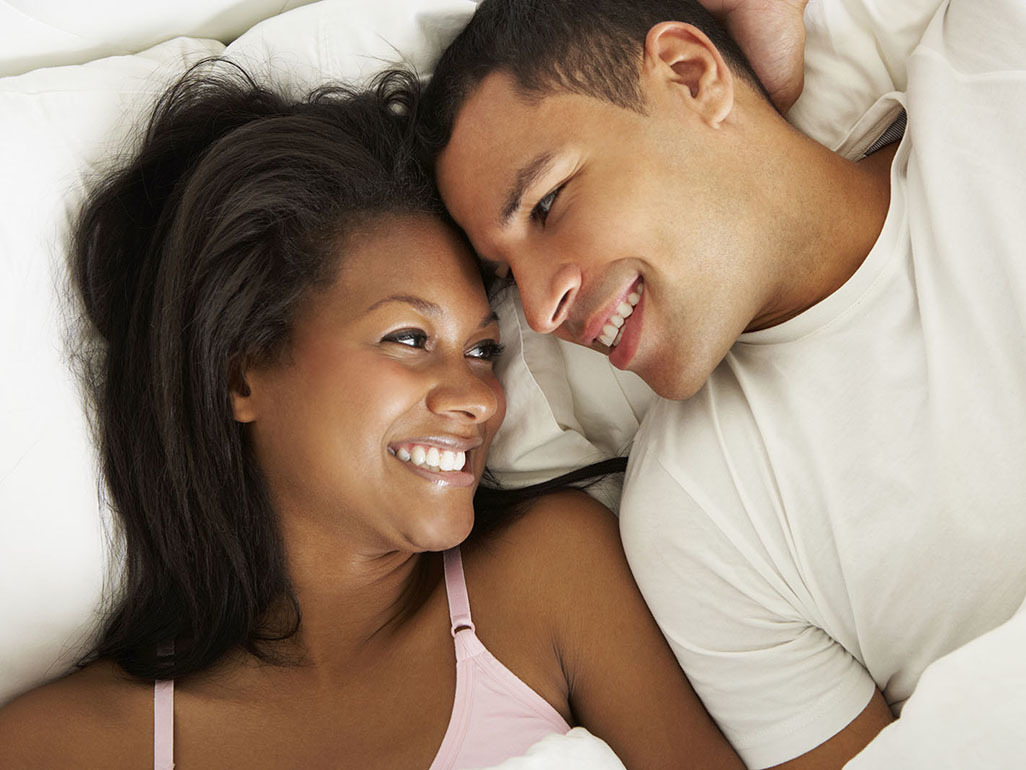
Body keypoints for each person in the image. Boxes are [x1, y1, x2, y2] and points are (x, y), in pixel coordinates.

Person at [0, 62, 743, 769]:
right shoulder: (63, 746)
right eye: (410, 338)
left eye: (483, 350)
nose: (481, 398)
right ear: (242, 372)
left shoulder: (548, 583)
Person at [418, 0, 1026, 767]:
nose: (540, 311)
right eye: (508, 275)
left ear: (690, 74)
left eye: (547, 203)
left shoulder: (998, 68)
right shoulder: (699, 524)